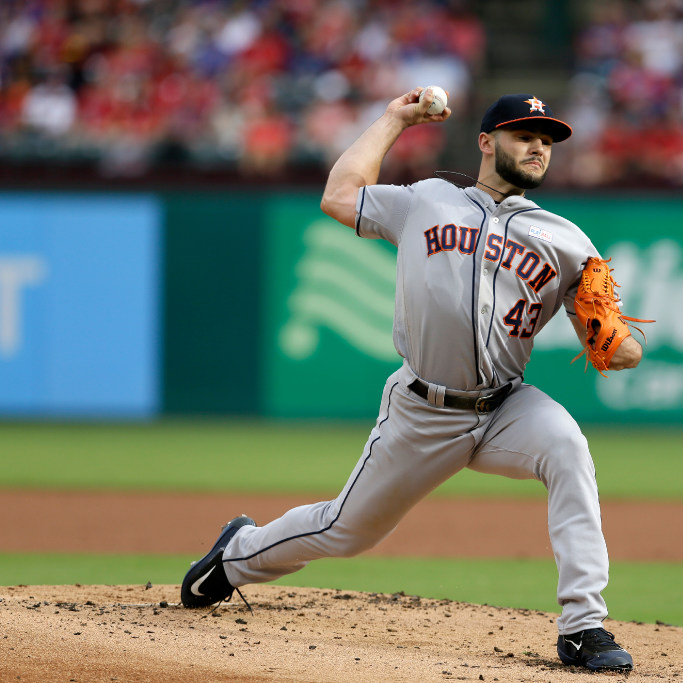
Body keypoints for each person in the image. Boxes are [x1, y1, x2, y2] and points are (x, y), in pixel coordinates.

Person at [181, 88, 644, 673]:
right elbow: (338, 195)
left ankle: (583, 627)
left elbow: (619, 349)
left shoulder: (569, 242)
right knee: (347, 531)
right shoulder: (427, 200)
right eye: (524, 134)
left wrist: (622, 344)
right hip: (423, 410)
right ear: (486, 142)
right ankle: (237, 554)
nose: (537, 147)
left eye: (546, 140)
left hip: (506, 407)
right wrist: (395, 119)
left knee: (568, 448)